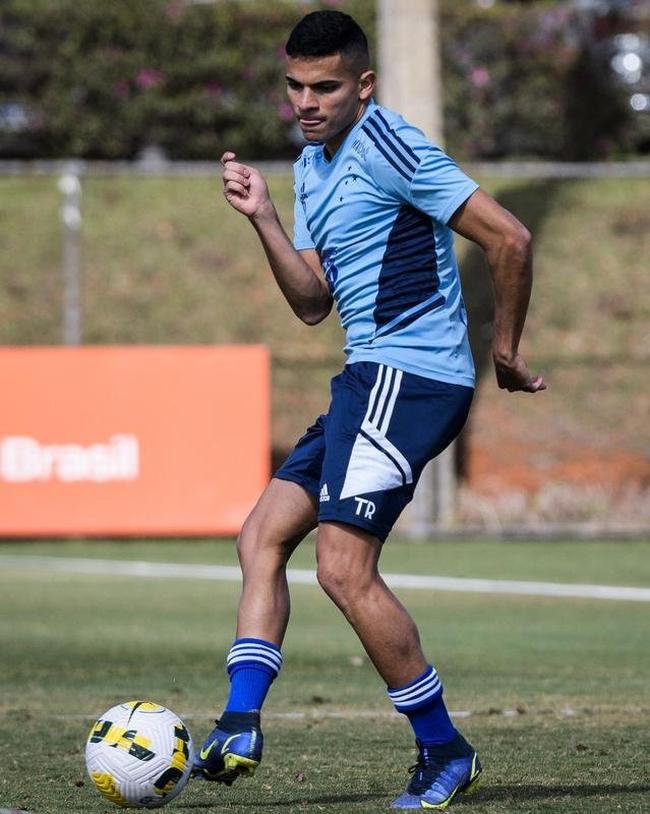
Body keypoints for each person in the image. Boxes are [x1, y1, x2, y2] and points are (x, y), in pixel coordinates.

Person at [192, 9, 546, 810]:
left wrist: (507, 350)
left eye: (324, 87)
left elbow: (510, 239)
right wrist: (266, 220)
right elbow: (313, 302)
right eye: (295, 86)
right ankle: (240, 722)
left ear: (364, 85)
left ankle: (444, 750)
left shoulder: (390, 144)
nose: (306, 102)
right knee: (262, 535)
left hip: (412, 378)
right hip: (367, 378)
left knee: (343, 569)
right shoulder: (313, 163)